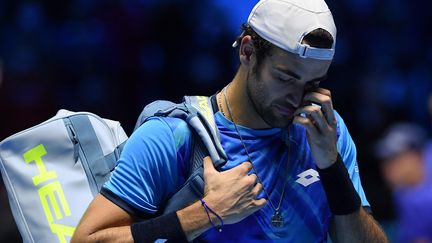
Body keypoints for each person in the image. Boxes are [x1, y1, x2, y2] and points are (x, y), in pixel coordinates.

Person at [72, 0, 388, 242]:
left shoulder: (326, 131)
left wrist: (331, 166)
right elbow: (86, 239)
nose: (298, 98)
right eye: (285, 78)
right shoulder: (172, 136)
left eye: (313, 83)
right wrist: (206, 213)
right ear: (248, 52)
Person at [376, 123, 432, 242]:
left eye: (394, 158)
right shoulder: (401, 195)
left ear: (415, 156)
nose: (386, 168)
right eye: (385, 161)